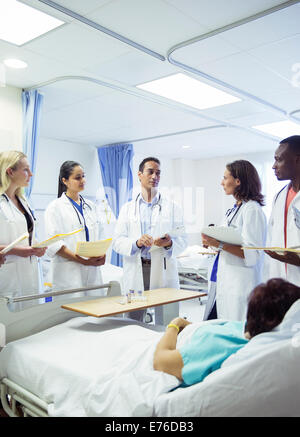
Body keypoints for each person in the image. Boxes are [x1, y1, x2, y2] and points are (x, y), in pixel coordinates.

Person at [153, 278, 300, 386]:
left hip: (165, 340)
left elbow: (160, 361)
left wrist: (174, 325)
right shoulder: (254, 331)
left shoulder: (218, 345)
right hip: (195, 329)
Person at [112, 157, 187, 323]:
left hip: (162, 270)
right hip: (137, 269)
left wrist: (169, 244)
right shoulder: (127, 209)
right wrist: (136, 243)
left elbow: (183, 239)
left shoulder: (173, 208)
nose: (155, 176)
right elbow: (116, 241)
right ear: (140, 175)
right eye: (150, 172)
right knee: (133, 318)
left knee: (167, 319)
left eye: (158, 173)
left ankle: (165, 347)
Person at [202, 160, 267, 321]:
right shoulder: (234, 209)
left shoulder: (252, 209)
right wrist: (212, 242)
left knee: (238, 329)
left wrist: (220, 244)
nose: (221, 182)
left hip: (241, 282)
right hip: (226, 280)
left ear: (238, 181)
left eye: (225, 178)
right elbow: (225, 242)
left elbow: (252, 253)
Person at [44, 161, 105, 297]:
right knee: (72, 315)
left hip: (92, 272)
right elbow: (54, 244)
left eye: (83, 176)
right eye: (77, 178)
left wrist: (102, 254)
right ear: (64, 181)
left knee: (94, 314)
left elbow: (100, 235)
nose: (82, 180)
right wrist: (82, 260)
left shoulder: (91, 206)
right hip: (69, 274)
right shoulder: (54, 208)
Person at [0, 151, 46, 309]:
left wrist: (38, 248)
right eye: (26, 170)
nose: (31, 174)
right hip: (8, 274)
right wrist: (16, 251)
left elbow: (28, 235)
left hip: (29, 272)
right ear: (10, 171)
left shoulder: (23, 202)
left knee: (30, 321)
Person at [264, 135, 300, 285]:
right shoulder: (279, 197)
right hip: (281, 281)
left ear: (298, 160)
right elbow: (273, 238)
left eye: (279, 160)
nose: (273, 166)